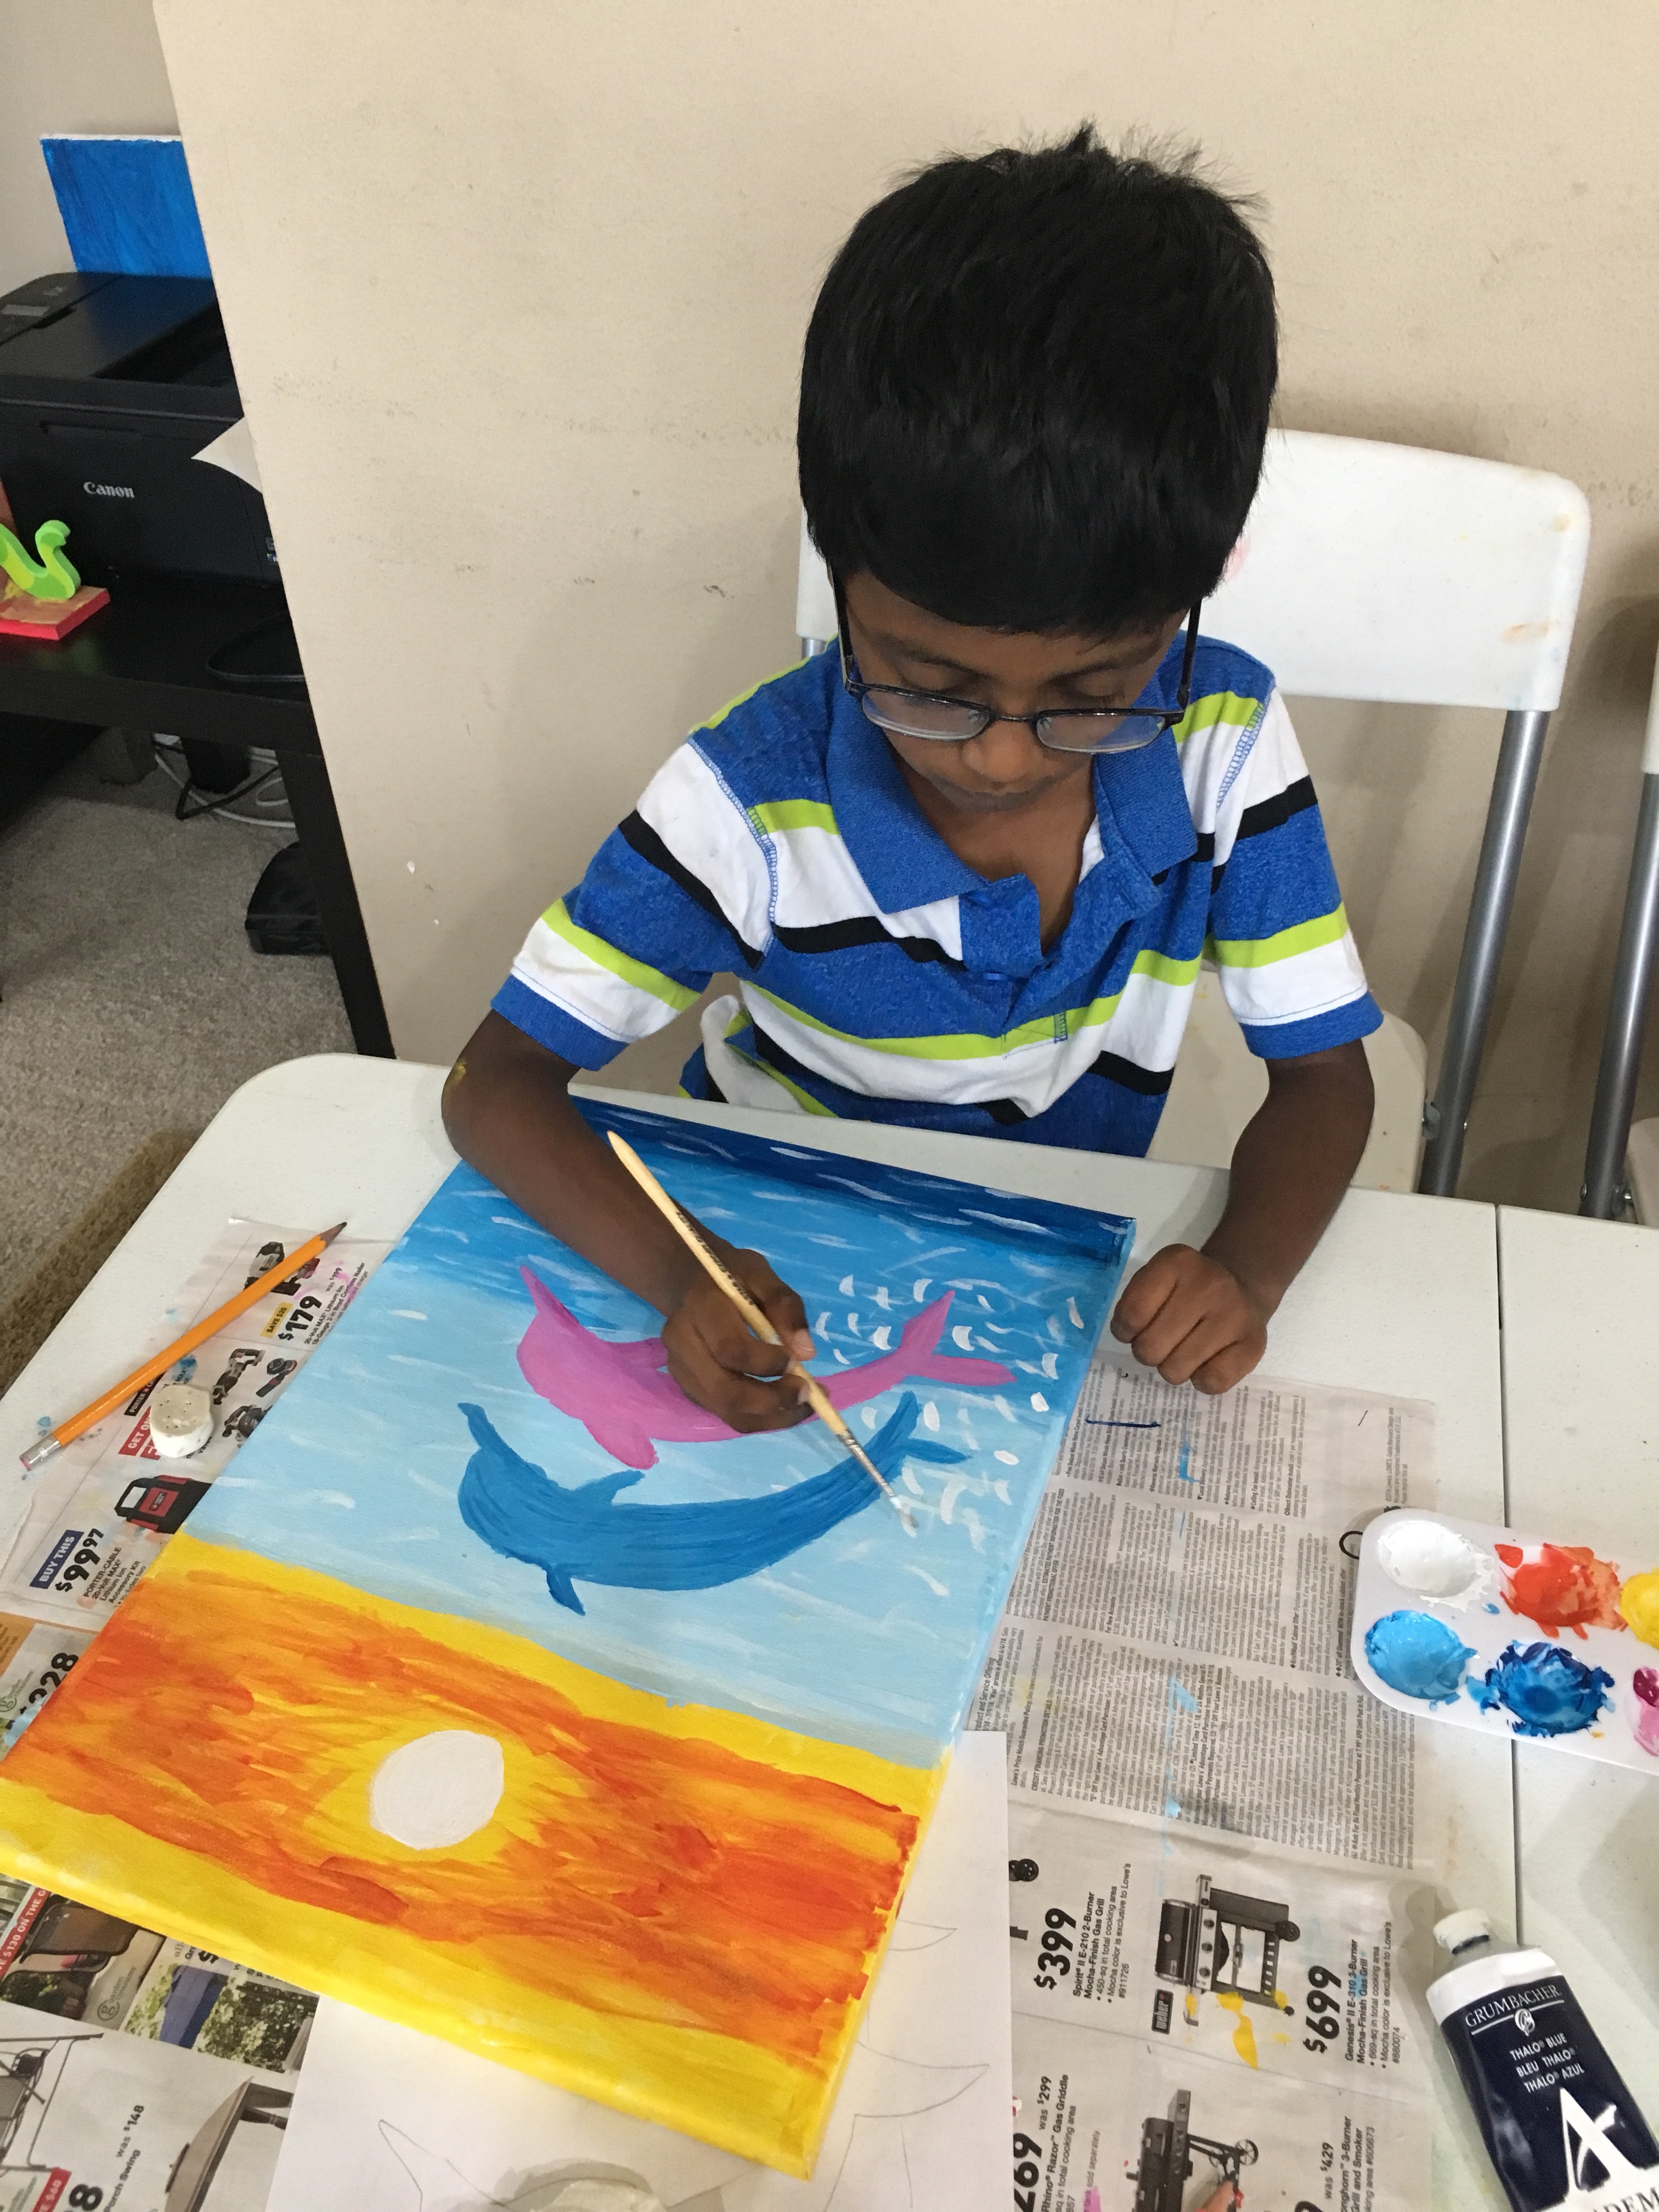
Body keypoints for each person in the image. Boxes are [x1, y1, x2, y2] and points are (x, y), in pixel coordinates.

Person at [443, 127, 1378, 1432]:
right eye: (928, 686)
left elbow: (1326, 1078)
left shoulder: (1220, 739)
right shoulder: (751, 801)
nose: (1001, 755)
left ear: (1201, 584)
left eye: (1094, 693)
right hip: (783, 1259)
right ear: (836, 569)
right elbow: (494, 1087)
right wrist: (681, 1274)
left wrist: (1249, 1271)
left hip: (1055, 1261)